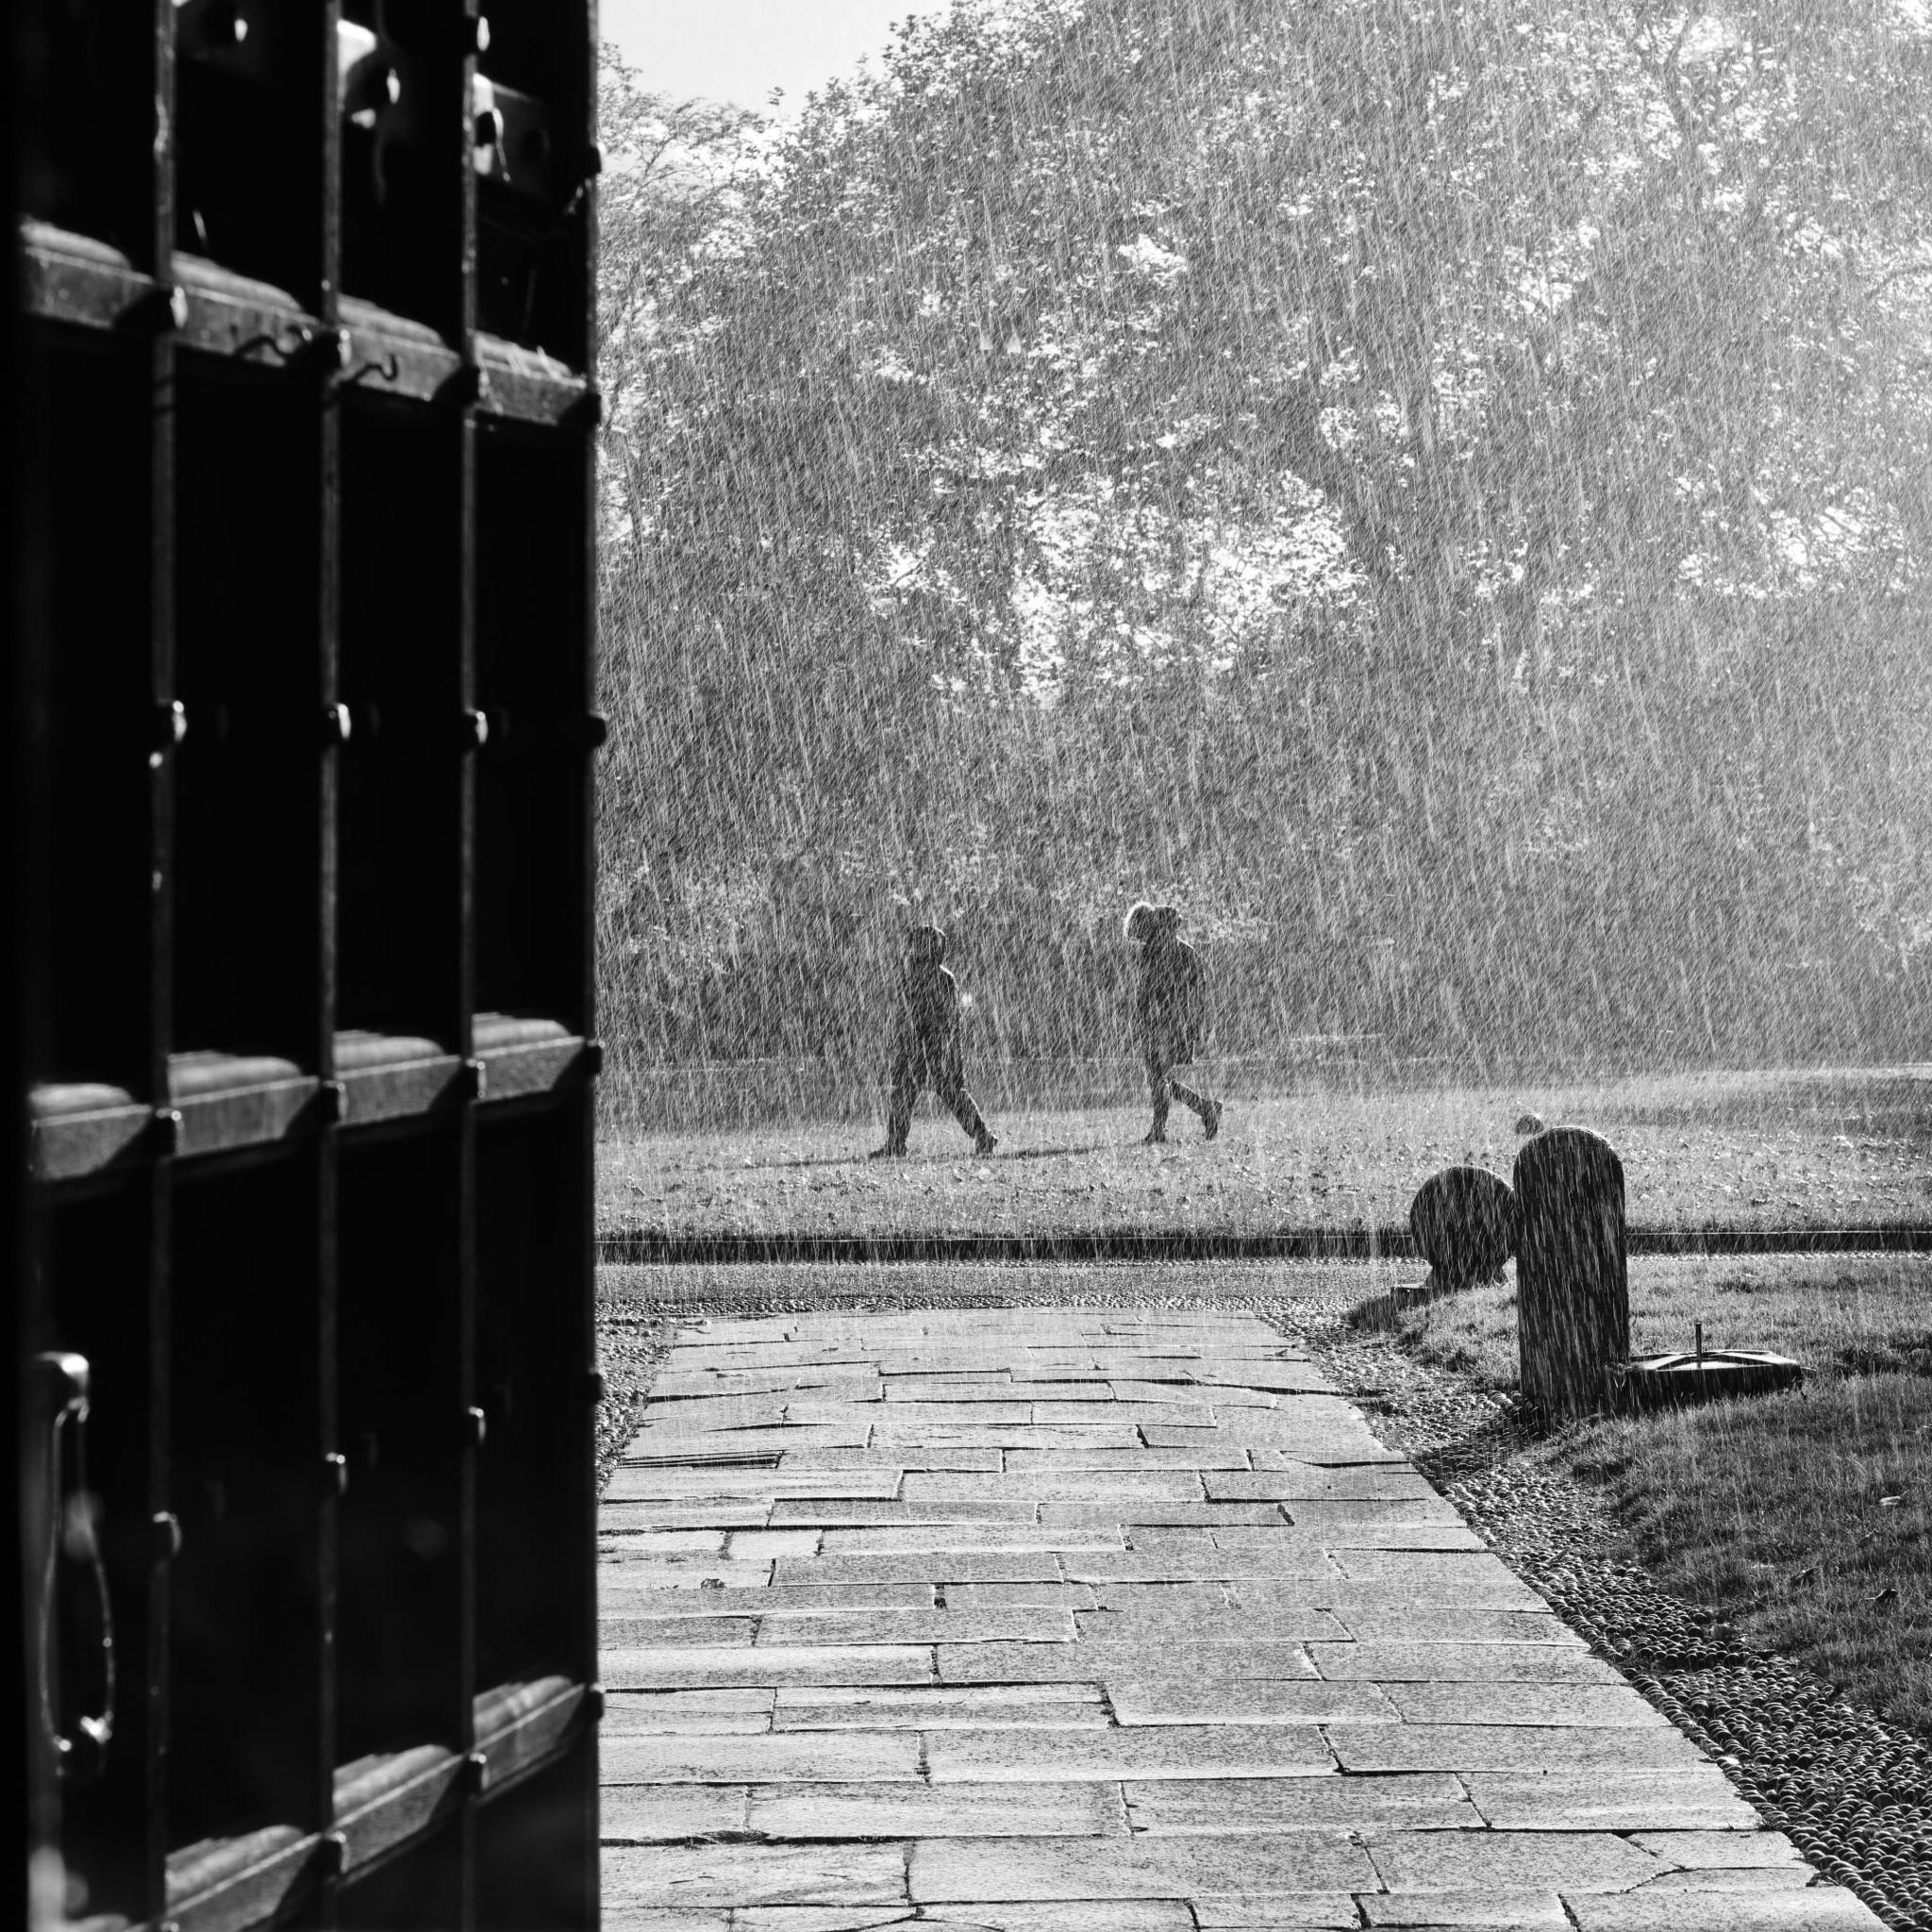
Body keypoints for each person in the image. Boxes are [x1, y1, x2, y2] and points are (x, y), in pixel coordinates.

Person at [870, 923, 998, 1158]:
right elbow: (909, 1011)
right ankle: (896, 1143)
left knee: (949, 1091)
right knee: (905, 1090)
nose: (912, 951)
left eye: (917, 946)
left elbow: (943, 1018)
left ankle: (983, 1135)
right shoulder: (912, 975)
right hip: (918, 1044)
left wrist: (937, 1049)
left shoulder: (940, 978)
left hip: (934, 1045)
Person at [1124, 901, 1221, 1144]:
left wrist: (1189, 1020)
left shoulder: (1164, 952)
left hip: (1167, 1023)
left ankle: (1162, 1129)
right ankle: (1204, 1108)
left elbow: (1156, 991)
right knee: (1159, 1078)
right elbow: (1197, 988)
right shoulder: (1172, 950)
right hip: (1167, 1022)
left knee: (1158, 1078)